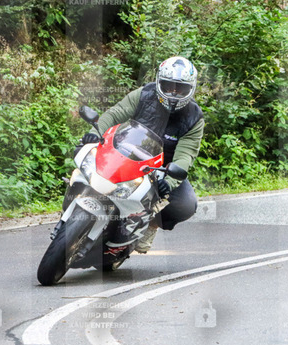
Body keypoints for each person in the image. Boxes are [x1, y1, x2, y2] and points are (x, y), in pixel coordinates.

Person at [80, 56, 204, 253]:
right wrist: (95, 134)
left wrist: (169, 181)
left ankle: (150, 225)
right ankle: (76, 210)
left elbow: (185, 156)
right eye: (168, 86)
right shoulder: (144, 94)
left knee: (186, 205)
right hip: (126, 153)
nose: (173, 93)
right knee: (88, 168)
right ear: (159, 82)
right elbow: (114, 114)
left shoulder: (194, 118)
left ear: (191, 88)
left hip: (162, 167)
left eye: (180, 89)